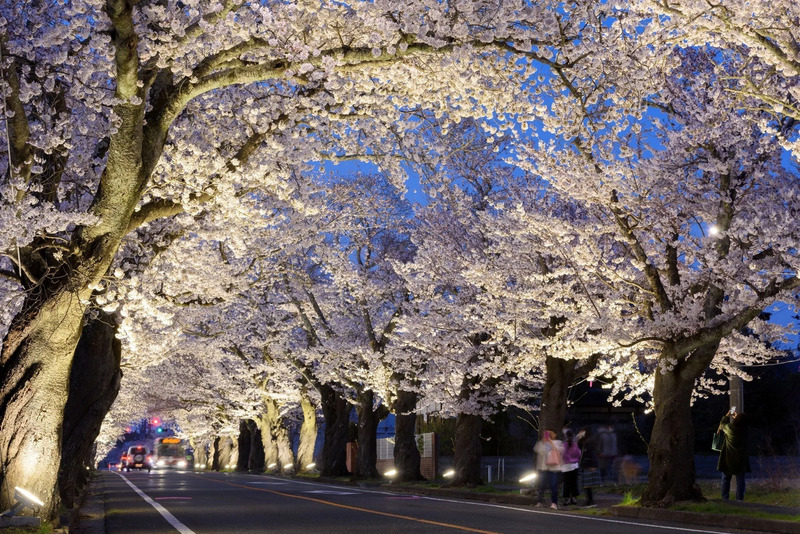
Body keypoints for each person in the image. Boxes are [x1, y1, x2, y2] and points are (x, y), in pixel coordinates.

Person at [717, 409, 750, 501]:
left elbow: (722, 424)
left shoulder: (731, 429)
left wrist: (727, 415)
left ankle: (725, 499)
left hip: (728, 458)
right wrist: (738, 418)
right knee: (740, 480)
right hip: (741, 459)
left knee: (726, 479)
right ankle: (739, 499)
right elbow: (742, 424)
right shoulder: (745, 431)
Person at [533, 429, 563, 509]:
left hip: (553, 469)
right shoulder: (541, 443)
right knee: (541, 485)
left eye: (551, 433)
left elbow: (559, 451)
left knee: (553, 486)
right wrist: (544, 442)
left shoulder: (558, 443)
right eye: (547, 433)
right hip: (543, 468)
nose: (549, 435)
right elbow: (539, 451)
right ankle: (539, 502)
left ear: (555, 434)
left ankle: (554, 503)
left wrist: (550, 442)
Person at [577, 426, 600, 507]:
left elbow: (591, 453)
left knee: (588, 484)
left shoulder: (591, 440)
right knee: (586, 484)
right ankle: (589, 500)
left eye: (583, 431)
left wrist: (592, 465)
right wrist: (579, 439)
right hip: (585, 463)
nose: (581, 432)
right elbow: (579, 449)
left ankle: (590, 501)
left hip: (589, 463)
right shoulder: (583, 440)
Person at [561, 429, 581, 506]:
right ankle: (574, 498)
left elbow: (561, 455)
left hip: (565, 467)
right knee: (574, 483)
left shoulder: (563, 445)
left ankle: (567, 499)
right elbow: (579, 454)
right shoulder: (575, 445)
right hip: (575, 466)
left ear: (565, 437)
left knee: (566, 484)